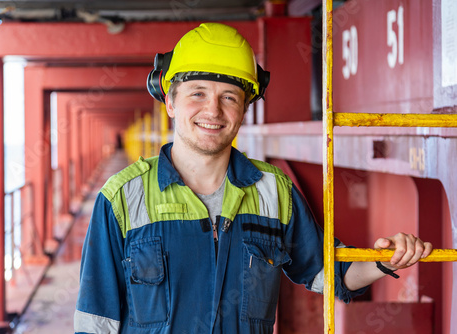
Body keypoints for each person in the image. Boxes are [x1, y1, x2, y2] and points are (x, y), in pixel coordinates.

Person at [74, 23, 432, 334]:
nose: (212, 111)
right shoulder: (122, 197)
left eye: (229, 97)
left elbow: (327, 272)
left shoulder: (274, 192)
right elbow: (95, 320)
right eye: (197, 93)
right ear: (169, 101)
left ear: (245, 109)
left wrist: (383, 260)